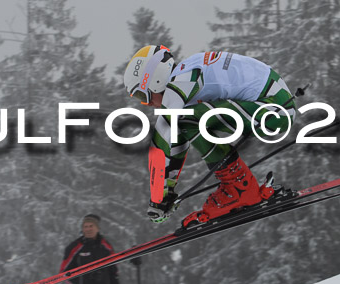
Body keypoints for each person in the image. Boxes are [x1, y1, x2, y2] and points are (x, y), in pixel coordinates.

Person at [123, 45, 296, 227]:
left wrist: (158, 199)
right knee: (185, 122)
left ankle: (239, 189)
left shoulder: (182, 78)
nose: (147, 103)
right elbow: (175, 138)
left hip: (274, 110)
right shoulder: (186, 75)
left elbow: (161, 138)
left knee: (183, 120)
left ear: (155, 80)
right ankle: (239, 187)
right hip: (274, 107)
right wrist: (168, 190)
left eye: (143, 95)